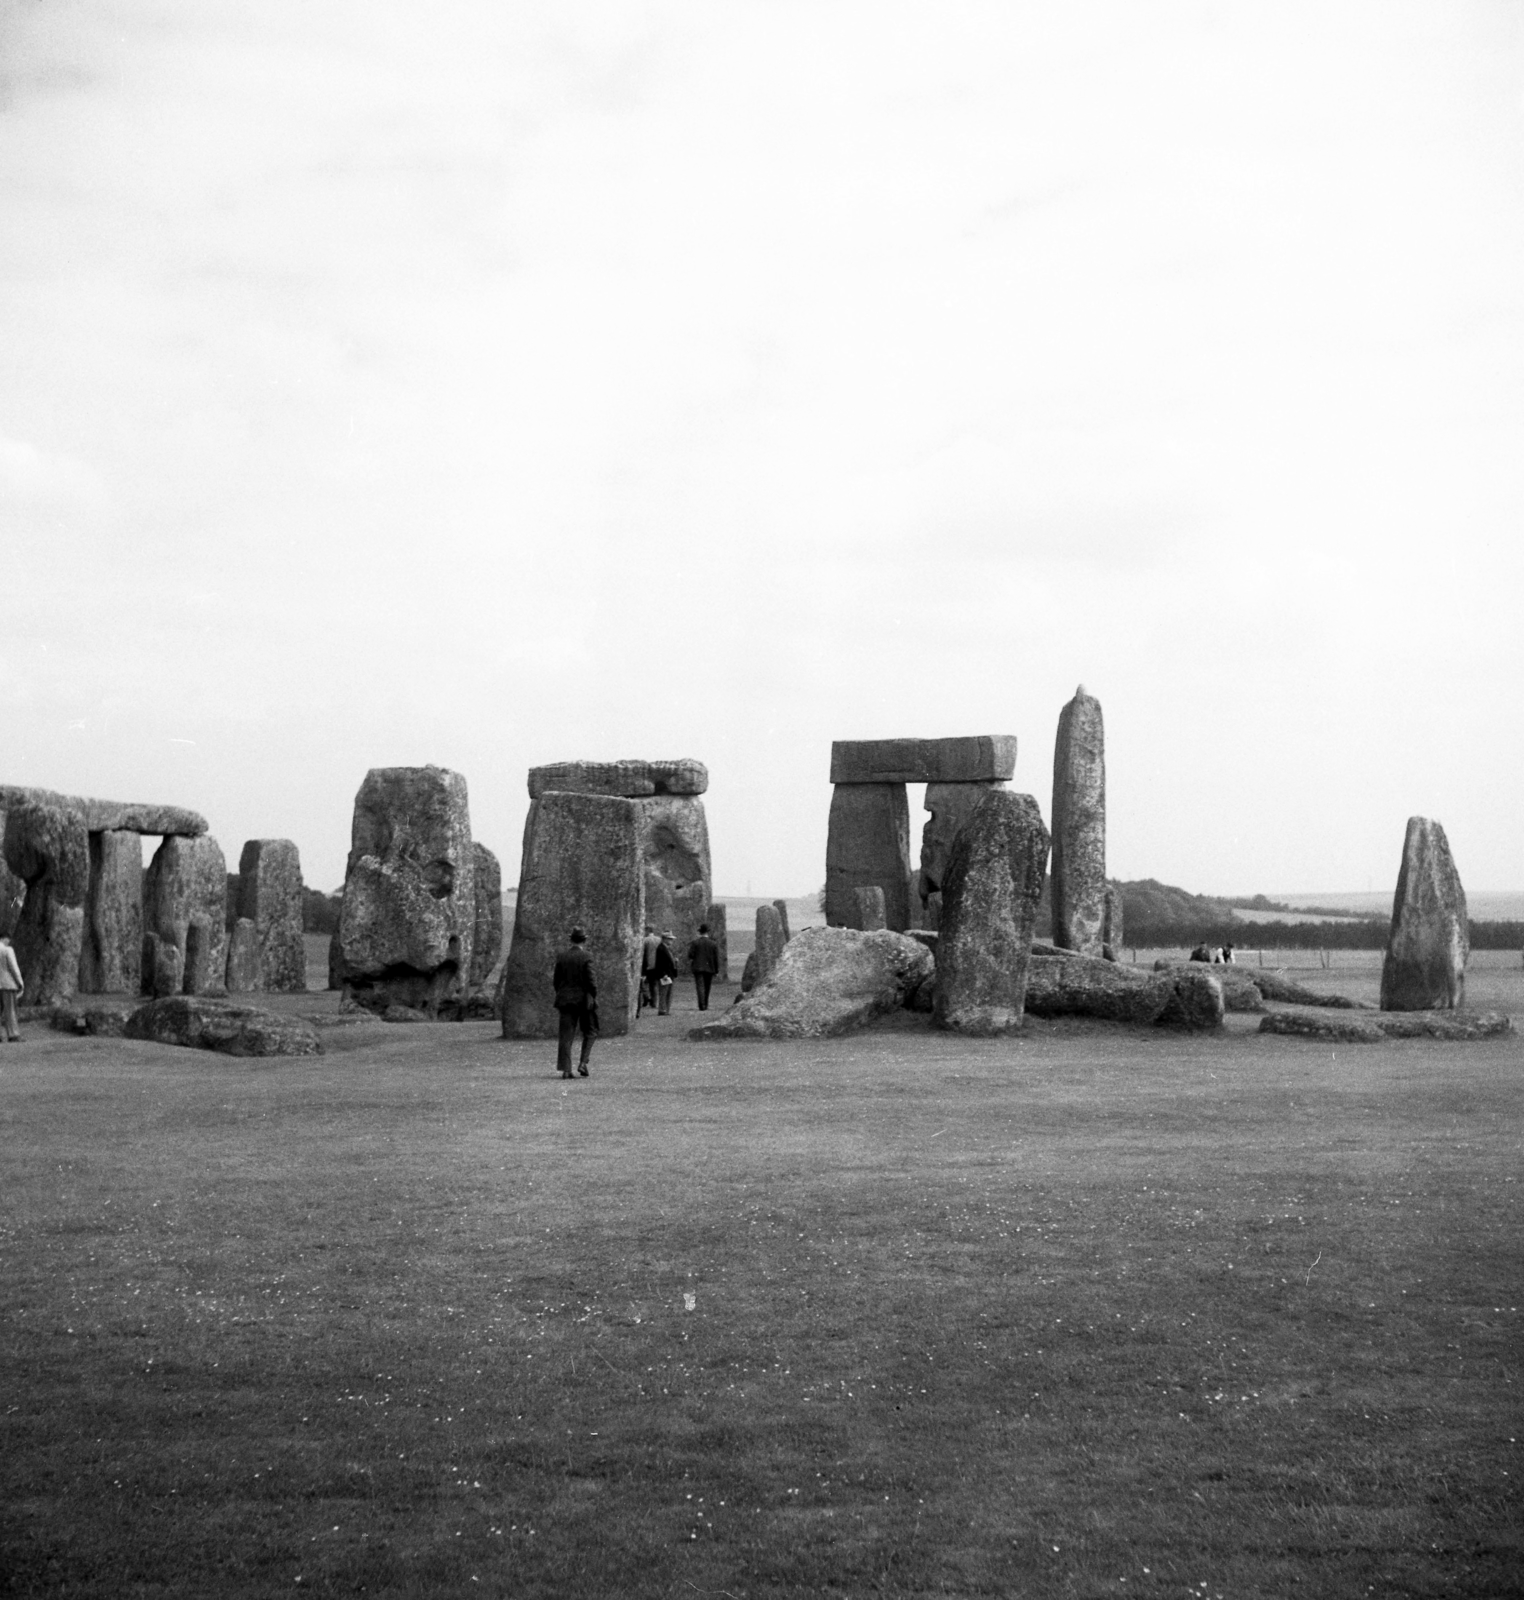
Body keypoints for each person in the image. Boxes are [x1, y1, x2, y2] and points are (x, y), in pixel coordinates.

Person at [551, 927, 597, 1078]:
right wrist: (593, 995)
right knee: (590, 1031)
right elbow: (591, 980)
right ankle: (583, 1062)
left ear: (571, 939)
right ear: (584, 940)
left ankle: (566, 1069)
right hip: (583, 1000)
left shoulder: (562, 957)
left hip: (565, 1000)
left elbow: (556, 980)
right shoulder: (587, 956)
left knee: (566, 1035)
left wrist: (561, 993)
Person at [687, 923, 720, 1011]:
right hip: (709, 967)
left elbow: (690, 955)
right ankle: (706, 1003)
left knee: (700, 986)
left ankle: (702, 1005)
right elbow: (716, 958)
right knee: (707, 987)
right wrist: (716, 970)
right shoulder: (713, 944)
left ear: (700, 932)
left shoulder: (695, 943)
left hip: (698, 967)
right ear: (708, 932)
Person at [0, 934, 22, 1043]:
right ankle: (13, 1034)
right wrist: (20, 983)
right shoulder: (7, 950)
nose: (8, 942)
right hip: (7, 984)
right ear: (4, 938)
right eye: (8, 939)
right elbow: (14, 968)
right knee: (10, 1010)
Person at [651, 930, 678, 1016]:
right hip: (665, 974)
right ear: (664, 939)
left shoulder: (667, 948)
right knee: (664, 992)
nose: (671, 941)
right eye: (669, 939)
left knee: (669, 992)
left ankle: (666, 1009)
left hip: (670, 973)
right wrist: (663, 974)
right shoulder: (661, 948)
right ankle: (662, 1009)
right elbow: (660, 963)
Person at [638, 924, 661, 1014]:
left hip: (648, 965)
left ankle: (647, 998)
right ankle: (654, 1002)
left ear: (647, 931)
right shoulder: (659, 939)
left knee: (644, 984)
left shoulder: (645, 940)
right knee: (654, 984)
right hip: (657, 965)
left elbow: (642, 954)